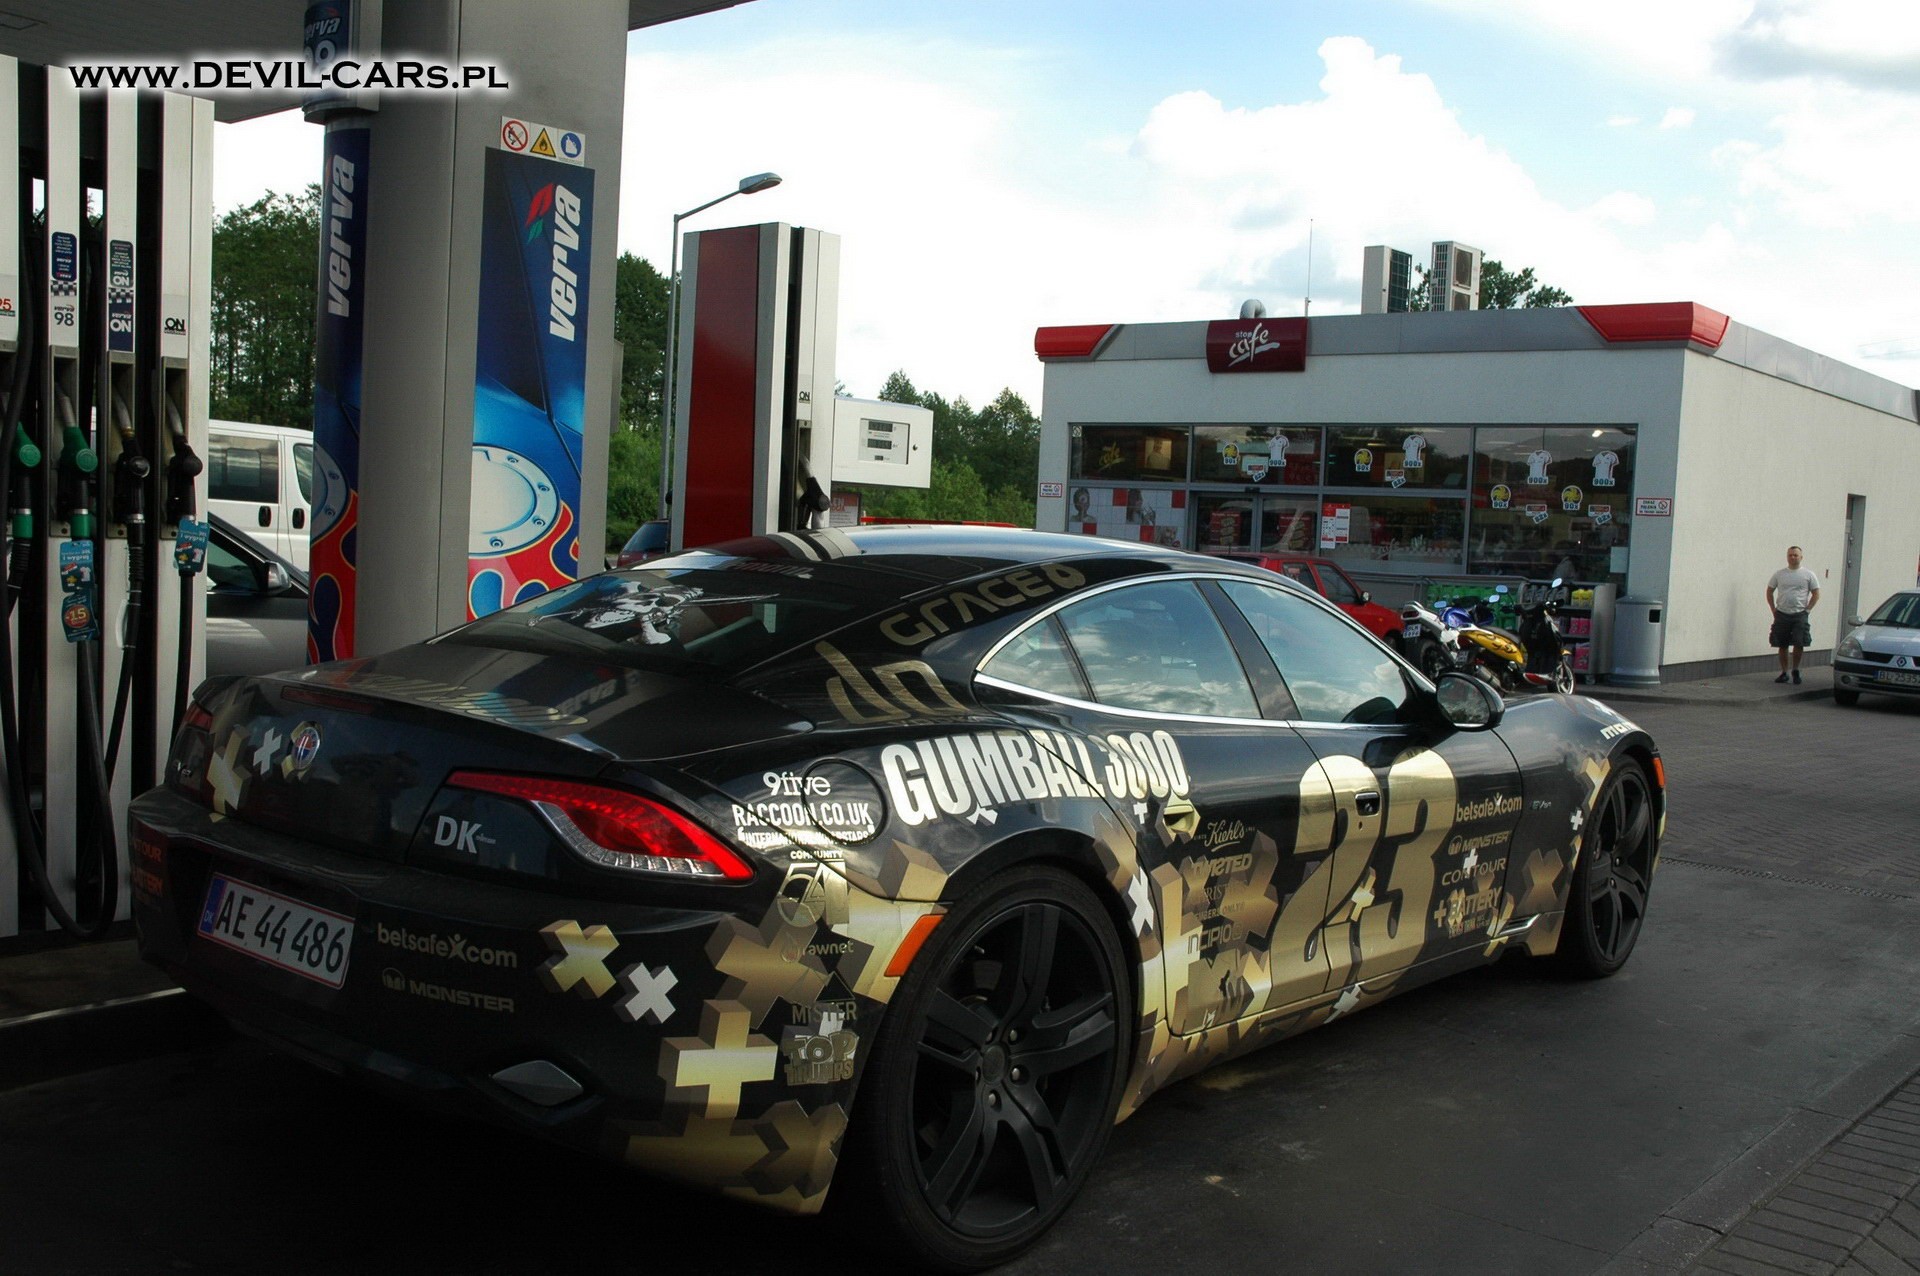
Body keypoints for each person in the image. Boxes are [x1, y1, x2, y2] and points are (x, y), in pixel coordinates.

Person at [1765, 545, 1820, 684]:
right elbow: (1769, 591)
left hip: (1800, 614)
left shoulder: (1808, 575)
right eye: (1790, 555)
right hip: (1782, 613)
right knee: (1782, 644)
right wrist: (1773, 609)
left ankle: (1795, 670)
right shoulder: (1779, 574)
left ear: (1801, 557)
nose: (1792, 557)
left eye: (1795, 555)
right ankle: (1784, 672)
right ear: (1787, 557)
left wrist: (1808, 610)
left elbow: (1816, 593)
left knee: (1798, 642)